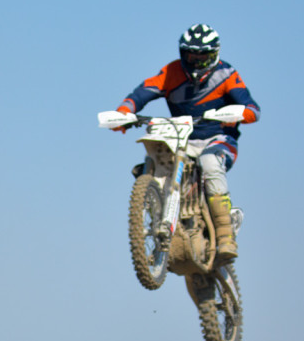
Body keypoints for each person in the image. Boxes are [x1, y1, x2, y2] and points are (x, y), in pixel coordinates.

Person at [111, 23, 261, 260]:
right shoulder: (171, 72)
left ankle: (224, 235)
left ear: (215, 54)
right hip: (182, 138)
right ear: (183, 53)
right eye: (191, 56)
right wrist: (124, 112)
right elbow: (143, 91)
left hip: (218, 138)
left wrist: (244, 113)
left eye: (203, 57)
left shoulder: (227, 74)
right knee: (153, 157)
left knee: (210, 164)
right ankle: (152, 223)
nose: (196, 62)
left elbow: (251, 106)